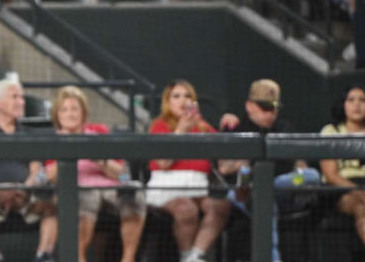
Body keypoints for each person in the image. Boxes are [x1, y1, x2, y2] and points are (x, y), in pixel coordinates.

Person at [218, 79, 320, 262]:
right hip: (244, 192)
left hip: (283, 187)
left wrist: (299, 168)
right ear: (249, 106)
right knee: (263, 198)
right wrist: (243, 163)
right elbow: (223, 168)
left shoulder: (284, 128)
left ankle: (268, 189)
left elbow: (301, 166)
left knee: (312, 176)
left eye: (274, 108)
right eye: (265, 108)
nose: (272, 113)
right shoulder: (237, 127)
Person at [44, 86, 146, 262]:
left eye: (75, 109)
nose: (70, 114)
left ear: (83, 113)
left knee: (134, 194)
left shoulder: (99, 132)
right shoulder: (52, 140)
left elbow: (123, 176)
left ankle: (128, 259)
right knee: (86, 197)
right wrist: (67, 150)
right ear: (57, 115)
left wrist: (101, 160)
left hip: (109, 188)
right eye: (64, 109)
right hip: (78, 189)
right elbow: (47, 177)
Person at [0, 79, 57, 262]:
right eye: (15, 97)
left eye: (22, 97)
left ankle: (43, 255)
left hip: (24, 192)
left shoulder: (28, 133)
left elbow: (36, 170)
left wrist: (23, 189)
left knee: (54, 203)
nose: (21, 101)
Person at [146, 80, 231, 262]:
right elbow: (163, 162)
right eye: (176, 96)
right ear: (168, 102)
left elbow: (225, 159)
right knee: (186, 208)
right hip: (165, 190)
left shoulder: (203, 127)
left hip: (197, 189)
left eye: (187, 96)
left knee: (220, 206)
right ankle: (185, 255)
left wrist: (230, 127)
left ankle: (194, 256)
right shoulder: (159, 126)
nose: (182, 101)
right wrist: (180, 132)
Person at [320, 85, 365, 245]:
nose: (357, 105)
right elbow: (330, 174)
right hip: (340, 190)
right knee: (362, 207)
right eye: (351, 100)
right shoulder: (331, 130)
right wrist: (358, 191)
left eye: (362, 100)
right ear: (343, 104)